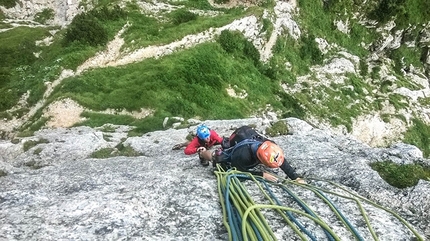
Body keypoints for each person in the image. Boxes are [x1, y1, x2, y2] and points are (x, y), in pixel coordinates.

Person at [202, 125, 305, 183]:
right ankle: (202, 153)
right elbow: (238, 172)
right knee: (218, 157)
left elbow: (280, 159)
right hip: (238, 137)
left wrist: (295, 177)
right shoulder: (242, 156)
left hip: (249, 134)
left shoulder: (271, 146)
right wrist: (261, 175)